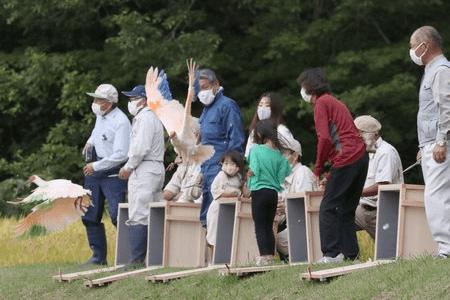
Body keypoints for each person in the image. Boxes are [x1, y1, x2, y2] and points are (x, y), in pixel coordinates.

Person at [297, 68, 368, 263]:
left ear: (309, 87)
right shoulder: (336, 102)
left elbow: (325, 139)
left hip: (347, 158)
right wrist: (330, 170)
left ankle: (331, 253)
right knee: (346, 209)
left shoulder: (321, 103)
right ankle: (351, 255)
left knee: (328, 206)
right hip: (361, 158)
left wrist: (318, 169)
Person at [409, 26, 450, 259]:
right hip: (432, 143)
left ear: (425, 45)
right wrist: (423, 145)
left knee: (436, 195)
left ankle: (445, 249)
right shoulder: (433, 70)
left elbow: (446, 107)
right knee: (439, 194)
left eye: (413, 46)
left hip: (439, 143)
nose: (412, 51)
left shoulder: (441, 70)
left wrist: (440, 142)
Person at [82, 83, 131, 265]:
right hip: (95, 168)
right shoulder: (100, 115)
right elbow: (97, 133)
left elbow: (121, 154)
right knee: (89, 214)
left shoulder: (121, 122)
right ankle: (98, 257)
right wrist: (89, 142)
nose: (94, 103)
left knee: (118, 215)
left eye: (98, 99)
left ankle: (128, 257)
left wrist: (96, 165)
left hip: (112, 171)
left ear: (108, 103)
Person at [117, 85, 165, 266]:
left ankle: (136, 260)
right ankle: (155, 258)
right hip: (155, 167)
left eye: (133, 98)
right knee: (155, 213)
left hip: (144, 168)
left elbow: (140, 148)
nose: (130, 102)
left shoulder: (144, 118)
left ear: (143, 100)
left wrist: (128, 167)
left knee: (139, 213)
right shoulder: (153, 117)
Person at [197, 69, 245, 227]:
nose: (202, 92)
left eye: (205, 87)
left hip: (222, 171)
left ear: (216, 85)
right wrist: (200, 171)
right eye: (200, 89)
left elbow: (236, 140)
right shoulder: (206, 109)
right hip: (207, 169)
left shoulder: (227, 106)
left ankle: (222, 252)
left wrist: (229, 171)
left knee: (219, 221)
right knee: (207, 219)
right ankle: (212, 252)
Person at [247, 119, 291, 266]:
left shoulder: (256, 150)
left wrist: (248, 179)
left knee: (260, 225)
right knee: (268, 225)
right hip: (273, 193)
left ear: (260, 133)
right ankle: (270, 257)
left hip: (259, 191)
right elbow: (283, 174)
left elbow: (254, 170)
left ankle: (264, 257)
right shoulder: (279, 155)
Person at [353, 115, 404, 240]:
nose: (357, 137)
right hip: (363, 209)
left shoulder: (386, 152)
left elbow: (383, 185)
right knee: (336, 218)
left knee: (391, 251)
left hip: (381, 212)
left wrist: (355, 193)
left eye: (360, 133)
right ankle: (350, 256)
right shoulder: (366, 152)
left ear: (374, 134)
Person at [276, 137, 318, 260]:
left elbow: (303, 207)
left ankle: (302, 257)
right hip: (293, 225)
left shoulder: (302, 172)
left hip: (307, 228)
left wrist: (285, 207)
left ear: (294, 156)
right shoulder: (284, 176)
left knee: (272, 239)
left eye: (282, 153)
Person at [206, 150, 244, 259]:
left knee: (227, 234)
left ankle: (225, 258)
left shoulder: (239, 177)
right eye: (226, 163)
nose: (229, 166)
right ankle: (211, 260)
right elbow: (215, 191)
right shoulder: (221, 175)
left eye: (232, 164)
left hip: (231, 209)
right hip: (217, 209)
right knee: (213, 234)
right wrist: (231, 194)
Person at [245, 92, 295, 157]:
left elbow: (291, 154)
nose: (263, 108)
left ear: (275, 109)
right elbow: (248, 155)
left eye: (267, 106)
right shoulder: (254, 131)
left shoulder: (281, 130)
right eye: (260, 105)